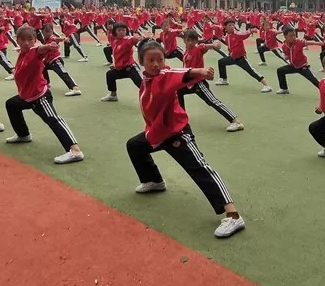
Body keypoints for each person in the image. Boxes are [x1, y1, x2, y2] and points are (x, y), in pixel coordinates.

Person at [125, 39, 246, 239]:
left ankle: (233, 215)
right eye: (151, 60)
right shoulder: (146, 80)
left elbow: (177, 73)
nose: (156, 64)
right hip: (157, 133)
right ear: (141, 62)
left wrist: (199, 72)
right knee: (135, 146)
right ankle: (154, 180)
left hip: (177, 133)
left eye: (160, 59)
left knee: (200, 169)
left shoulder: (164, 74)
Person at [4, 25, 85, 164]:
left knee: (54, 119)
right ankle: (23, 135)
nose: (26, 43)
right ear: (17, 40)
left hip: (39, 96)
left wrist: (48, 47)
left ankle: (75, 150)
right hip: (26, 96)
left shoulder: (33, 51)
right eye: (22, 40)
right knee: (11, 105)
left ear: (35, 40)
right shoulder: (22, 54)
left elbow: (39, 50)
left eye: (30, 39)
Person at [178, 29, 244, 132]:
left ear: (196, 41)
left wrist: (213, 45)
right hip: (189, 83)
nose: (190, 43)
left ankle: (236, 121)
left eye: (193, 40)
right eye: (188, 40)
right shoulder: (186, 52)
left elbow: (204, 46)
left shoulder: (197, 49)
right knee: (177, 92)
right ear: (184, 40)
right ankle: (181, 118)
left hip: (198, 83)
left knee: (212, 101)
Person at [216, 19, 272, 92]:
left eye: (233, 25)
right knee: (221, 62)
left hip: (240, 58)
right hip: (233, 57)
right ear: (225, 27)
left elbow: (244, 34)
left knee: (252, 71)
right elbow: (230, 46)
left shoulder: (237, 34)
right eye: (230, 25)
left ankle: (266, 86)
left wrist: (251, 30)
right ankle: (224, 80)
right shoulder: (227, 37)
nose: (232, 26)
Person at [100, 22, 143, 102]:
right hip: (121, 69)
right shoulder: (115, 41)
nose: (121, 32)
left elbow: (133, 39)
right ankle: (113, 95)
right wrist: (114, 65)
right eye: (119, 30)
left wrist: (138, 38)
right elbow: (116, 55)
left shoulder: (127, 40)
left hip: (131, 68)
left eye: (123, 30)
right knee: (110, 74)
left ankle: (154, 97)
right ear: (115, 32)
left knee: (143, 85)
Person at [275, 26, 322, 94]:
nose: (293, 37)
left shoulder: (298, 42)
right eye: (291, 36)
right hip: (293, 66)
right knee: (280, 71)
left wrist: (318, 43)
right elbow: (287, 55)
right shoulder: (284, 46)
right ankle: (284, 89)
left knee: (315, 81)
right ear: (285, 36)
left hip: (303, 67)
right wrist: (287, 57)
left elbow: (308, 42)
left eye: (294, 35)